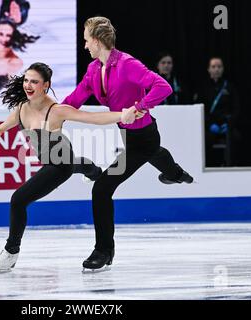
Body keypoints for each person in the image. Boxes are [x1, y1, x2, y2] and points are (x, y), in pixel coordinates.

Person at [62, 17, 194, 272]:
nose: (85, 45)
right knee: (158, 156)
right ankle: (176, 173)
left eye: (87, 39)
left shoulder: (127, 64)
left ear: (98, 41)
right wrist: (52, 112)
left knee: (101, 188)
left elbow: (162, 86)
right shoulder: (93, 70)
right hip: (130, 137)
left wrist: (140, 106)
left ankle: (103, 251)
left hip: (144, 137)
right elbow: (75, 99)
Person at [0, 62, 138, 272]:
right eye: (26, 80)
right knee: (78, 164)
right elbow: (15, 118)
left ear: (46, 85)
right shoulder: (22, 106)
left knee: (18, 200)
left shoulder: (56, 110)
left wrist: (122, 115)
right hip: (57, 156)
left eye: (34, 82)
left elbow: (91, 118)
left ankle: (11, 252)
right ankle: (94, 171)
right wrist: (1, 129)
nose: (28, 85)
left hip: (59, 163)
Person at [194, 57, 241, 167]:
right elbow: (199, 108)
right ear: (209, 69)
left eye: (219, 66)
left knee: (236, 137)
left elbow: (236, 108)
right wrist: (209, 124)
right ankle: (208, 166)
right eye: (213, 67)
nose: (216, 69)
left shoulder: (229, 86)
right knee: (204, 139)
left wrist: (229, 124)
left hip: (226, 123)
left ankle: (230, 165)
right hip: (210, 124)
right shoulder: (203, 87)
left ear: (223, 69)